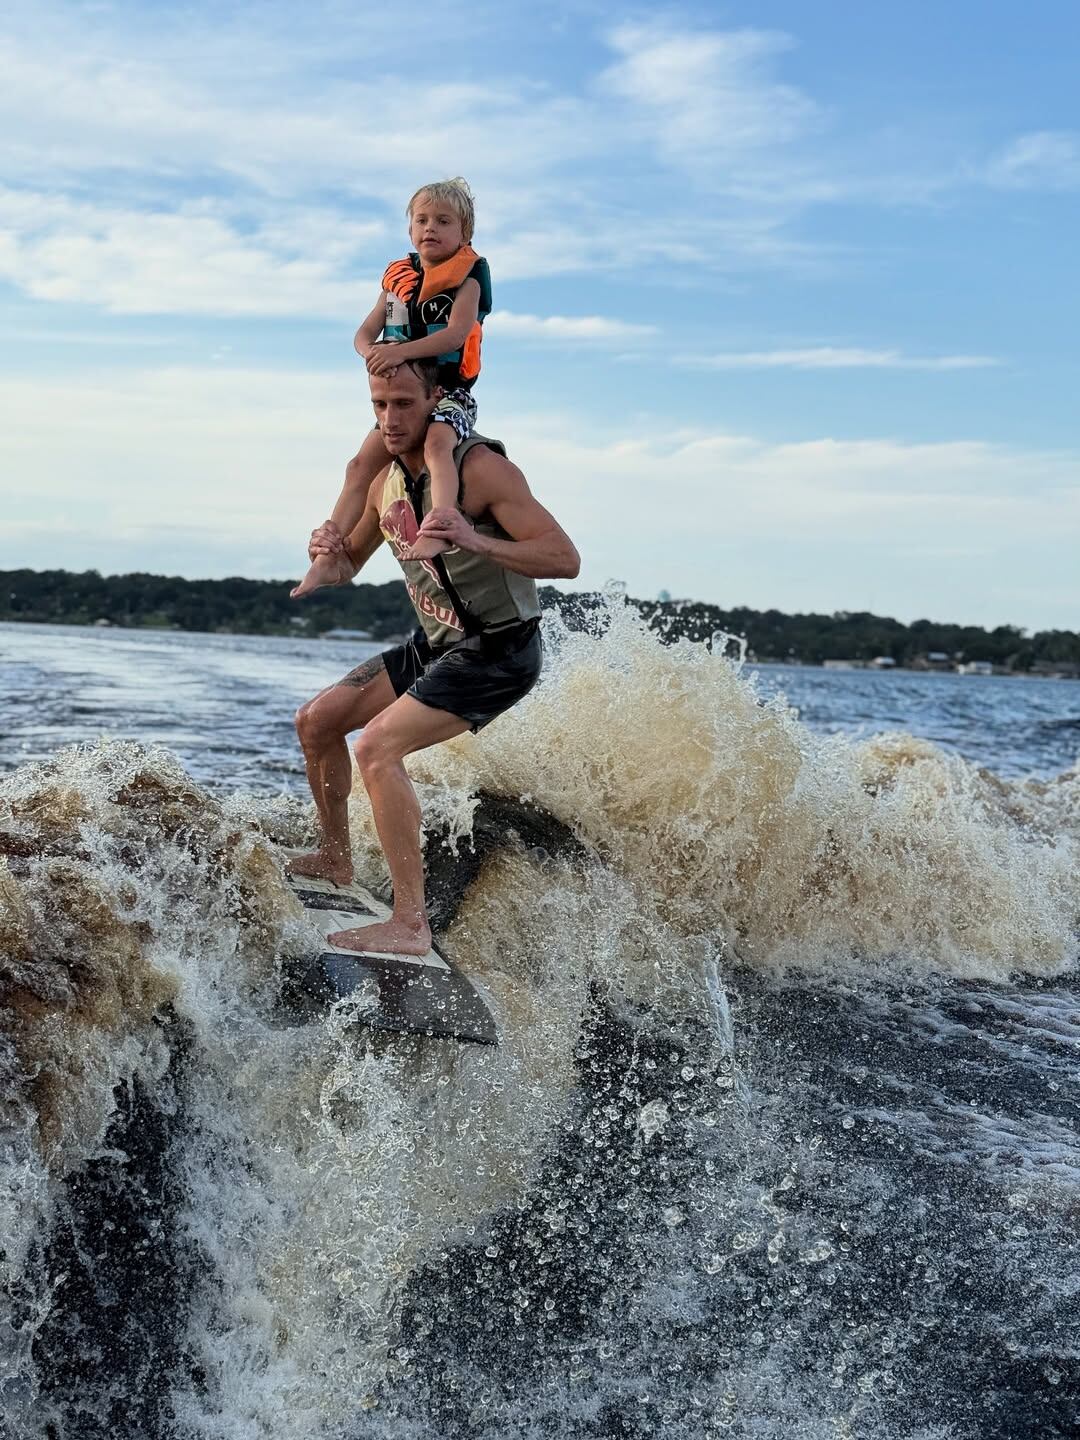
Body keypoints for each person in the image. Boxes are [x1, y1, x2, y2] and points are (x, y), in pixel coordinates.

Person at [287, 354, 580, 957]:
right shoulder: (384, 482)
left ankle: (409, 923)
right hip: (438, 645)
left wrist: (475, 538)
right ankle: (336, 858)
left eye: (403, 405)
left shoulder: (482, 471)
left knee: (376, 747)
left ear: (436, 401)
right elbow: (349, 566)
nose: (390, 420)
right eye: (378, 405)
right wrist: (325, 552)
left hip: (500, 650)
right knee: (316, 722)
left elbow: (565, 558)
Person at [291, 177, 491, 599]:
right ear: (410, 230)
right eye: (421, 220)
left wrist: (401, 353)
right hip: (401, 398)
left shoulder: (469, 279)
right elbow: (363, 334)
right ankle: (328, 556)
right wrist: (372, 354)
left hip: (447, 394)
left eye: (443, 221)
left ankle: (439, 525)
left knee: (438, 445)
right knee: (359, 465)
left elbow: (455, 336)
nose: (430, 228)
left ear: (464, 234)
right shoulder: (398, 280)